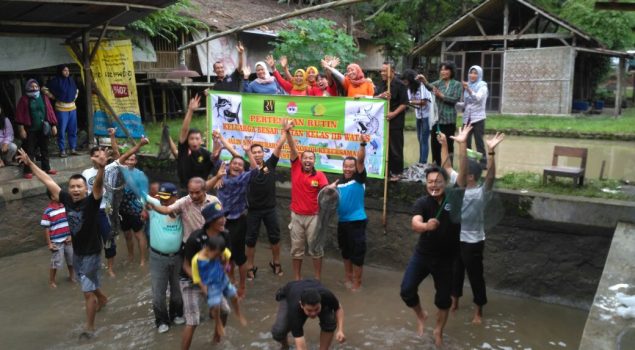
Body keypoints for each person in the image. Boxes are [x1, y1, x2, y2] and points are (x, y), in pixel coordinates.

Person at [17, 148, 108, 339]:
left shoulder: (92, 201)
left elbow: (98, 186)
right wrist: (30, 163)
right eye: (72, 186)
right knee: (88, 283)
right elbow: (47, 180)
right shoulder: (66, 199)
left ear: (85, 189)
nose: (75, 189)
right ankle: (102, 298)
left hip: (91, 252)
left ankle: (90, 327)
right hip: (78, 252)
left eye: (79, 187)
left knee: (86, 293)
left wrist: (101, 169)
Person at [399, 125, 471, 347]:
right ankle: (421, 315)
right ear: (426, 184)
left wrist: (460, 144)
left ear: (445, 183)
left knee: (443, 300)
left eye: (438, 181)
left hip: (447, 259)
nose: (433, 185)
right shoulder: (422, 202)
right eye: (430, 182)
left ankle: (438, 330)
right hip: (423, 254)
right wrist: (425, 226)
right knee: (407, 290)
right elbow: (415, 223)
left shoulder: (454, 197)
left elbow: (455, 170)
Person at [450, 131, 504, 325]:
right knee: (456, 272)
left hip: (474, 242)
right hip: (458, 238)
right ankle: (454, 302)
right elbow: (453, 167)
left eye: (466, 173)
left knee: (475, 276)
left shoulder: (481, 193)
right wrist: (460, 146)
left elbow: (490, 177)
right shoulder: (458, 191)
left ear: (471, 176)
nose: (462, 174)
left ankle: (478, 310)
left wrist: (491, 153)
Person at [82, 130, 145, 277]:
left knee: (109, 239)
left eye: (101, 156)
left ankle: (110, 268)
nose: (99, 159)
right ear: (91, 158)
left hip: (107, 210)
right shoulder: (85, 173)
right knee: (93, 241)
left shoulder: (111, 168)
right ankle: (94, 266)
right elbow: (83, 193)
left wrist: (140, 144)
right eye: (96, 156)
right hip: (92, 211)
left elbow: (123, 155)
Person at [206, 133, 258, 298]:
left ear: (243, 169)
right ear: (229, 166)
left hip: (238, 221)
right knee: (224, 255)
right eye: (234, 163)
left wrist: (248, 151)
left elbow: (256, 169)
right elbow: (214, 157)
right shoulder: (222, 172)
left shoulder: (244, 178)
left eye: (240, 165)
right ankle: (230, 279)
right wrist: (217, 141)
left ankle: (242, 285)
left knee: (239, 256)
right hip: (221, 221)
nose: (236, 166)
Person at [178, 202, 231, 348]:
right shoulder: (195, 239)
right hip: (190, 281)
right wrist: (202, 285)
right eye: (218, 218)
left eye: (223, 216)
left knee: (225, 311)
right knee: (193, 320)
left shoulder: (225, 236)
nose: (223, 220)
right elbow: (186, 266)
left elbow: (226, 259)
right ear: (209, 222)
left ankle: (216, 341)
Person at [284, 120, 329, 281]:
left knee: (316, 249)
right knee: (296, 249)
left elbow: (326, 194)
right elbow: (292, 148)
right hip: (296, 216)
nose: (308, 160)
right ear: (301, 160)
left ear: (314, 161)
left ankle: (317, 278)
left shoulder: (320, 175)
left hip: (314, 217)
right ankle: (297, 278)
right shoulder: (295, 167)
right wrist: (288, 132)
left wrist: (331, 191)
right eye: (306, 158)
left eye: (311, 158)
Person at [327, 134, 369, 291]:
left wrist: (362, 144)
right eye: (346, 166)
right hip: (342, 221)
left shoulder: (359, 178)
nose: (348, 168)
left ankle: (357, 283)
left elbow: (361, 160)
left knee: (357, 253)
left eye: (351, 166)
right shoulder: (338, 182)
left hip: (357, 221)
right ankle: (348, 277)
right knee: (345, 251)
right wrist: (330, 190)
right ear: (342, 167)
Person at [245, 128, 287, 279]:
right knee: (250, 240)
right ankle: (250, 267)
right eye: (253, 152)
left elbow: (279, 146)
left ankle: (276, 263)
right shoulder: (247, 168)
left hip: (270, 209)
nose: (257, 154)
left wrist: (286, 132)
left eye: (259, 152)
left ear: (263, 153)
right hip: (253, 211)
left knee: (275, 237)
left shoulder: (270, 164)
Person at [145, 182, 185, 333]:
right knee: (158, 293)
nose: (163, 201)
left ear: (176, 197)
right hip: (157, 257)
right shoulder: (154, 204)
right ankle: (161, 320)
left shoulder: (183, 207)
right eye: (161, 197)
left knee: (178, 291)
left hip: (178, 256)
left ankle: (176, 314)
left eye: (167, 198)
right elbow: (137, 189)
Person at [191, 235, 247, 343]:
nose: (218, 256)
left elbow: (228, 258)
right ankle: (218, 323)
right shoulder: (196, 260)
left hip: (223, 279)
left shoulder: (222, 251)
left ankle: (238, 313)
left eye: (219, 254)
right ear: (208, 248)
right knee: (216, 306)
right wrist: (204, 290)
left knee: (235, 296)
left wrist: (226, 265)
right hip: (212, 285)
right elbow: (197, 278)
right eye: (216, 255)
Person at [271, 279, 346, 350]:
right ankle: (285, 346)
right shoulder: (294, 309)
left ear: (320, 303)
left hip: (313, 284)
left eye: (316, 309)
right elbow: (300, 346)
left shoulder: (326, 295)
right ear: (301, 305)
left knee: (329, 320)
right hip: (290, 293)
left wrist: (340, 330)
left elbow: (338, 308)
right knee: (279, 331)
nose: (313, 313)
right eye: (309, 310)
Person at [150, 177, 220, 241]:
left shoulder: (214, 201)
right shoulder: (184, 202)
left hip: (212, 243)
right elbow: (167, 210)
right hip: (191, 245)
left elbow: (221, 219)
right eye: (191, 192)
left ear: (204, 190)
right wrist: (154, 207)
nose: (194, 196)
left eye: (197, 192)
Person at [420, 62, 463, 166]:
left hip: (449, 120)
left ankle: (448, 168)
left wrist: (441, 96)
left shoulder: (457, 84)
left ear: (451, 71)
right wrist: (424, 80)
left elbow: (455, 99)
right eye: (442, 70)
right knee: (435, 145)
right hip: (437, 119)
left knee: (448, 145)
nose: (443, 72)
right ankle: (436, 167)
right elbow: (429, 87)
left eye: (446, 69)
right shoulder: (438, 83)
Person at [15, 79, 58, 179]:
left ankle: (46, 168)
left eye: (36, 86)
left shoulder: (43, 97)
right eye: (32, 86)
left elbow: (50, 111)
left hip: (43, 128)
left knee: (45, 149)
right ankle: (27, 170)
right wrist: (21, 129)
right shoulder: (24, 99)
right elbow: (20, 115)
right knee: (29, 150)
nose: (34, 88)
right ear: (27, 87)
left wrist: (53, 125)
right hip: (30, 129)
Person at [375, 62, 409, 181]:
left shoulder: (400, 85)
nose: (382, 73)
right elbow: (374, 98)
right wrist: (381, 96)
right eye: (381, 71)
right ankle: (386, 171)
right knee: (384, 147)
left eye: (385, 71)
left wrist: (394, 113)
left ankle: (397, 172)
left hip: (396, 122)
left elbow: (405, 103)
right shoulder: (382, 84)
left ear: (393, 71)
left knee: (396, 147)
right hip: (382, 122)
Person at [119, 149, 149, 267]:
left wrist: (144, 209)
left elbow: (144, 194)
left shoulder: (140, 175)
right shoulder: (120, 173)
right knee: (126, 235)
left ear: (135, 161)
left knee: (138, 235)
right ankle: (130, 256)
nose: (129, 162)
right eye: (127, 159)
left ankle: (142, 259)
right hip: (123, 209)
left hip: (136, 209)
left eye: (132, 160)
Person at [177, 94, 214, 189]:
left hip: (201, 191)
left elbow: (215, 159)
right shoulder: (183, 149)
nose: (194, 141)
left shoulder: (205, 153)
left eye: (197, 139)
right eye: (191, 139)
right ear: (187, 140)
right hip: (185, 190)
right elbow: (184, 130)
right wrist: (190, 110)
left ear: (201, 141)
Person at [41, 189, 75, 288]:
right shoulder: (48, 211)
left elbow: (71, 221)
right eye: (58, 194)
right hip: (56, 241)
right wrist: (49, 244)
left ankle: (71, 276)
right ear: (52, 197)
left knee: (71, 259)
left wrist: (71, 236)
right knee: (56, 262)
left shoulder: (65, 206)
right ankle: (52, 280)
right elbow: (46, 228)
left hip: (68, 239)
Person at [44, 64, 79, 157]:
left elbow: (76, 90)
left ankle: (73, 148)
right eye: (64, 70)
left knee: (73, 129)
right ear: (60, 71)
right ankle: (62, 150)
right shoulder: (55, 81)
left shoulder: (71, 80)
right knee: (61, 130)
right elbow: (44, 89)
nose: (67, 72)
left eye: (68, 70)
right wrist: (53, 96)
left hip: (72, 108)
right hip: (61, 108)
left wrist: (74, 98)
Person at [461, 65, 489, 169]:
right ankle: (469, 163)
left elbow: (477, 98)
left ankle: (483, 164)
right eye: (471, 73)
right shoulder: (468, 86)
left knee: (479, 142)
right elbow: (466, 103)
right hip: (467, 119)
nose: (472, 75)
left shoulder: (483, 87)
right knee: (465, 142)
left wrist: (467, 88)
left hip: (478, 118)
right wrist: (453, 103)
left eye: (475, 73)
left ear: (479, 75)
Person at [402, 69, 432, 165]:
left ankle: (423, 162)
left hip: (426, 116)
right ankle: (421, 161)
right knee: (419, 138)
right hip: (418, 116)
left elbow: (424, 102)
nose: (406, 84)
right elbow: (408, 100)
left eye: (407, 81)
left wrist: (409, 102)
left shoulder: (422, 86)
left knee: (424, 139)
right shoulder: (410, 89)